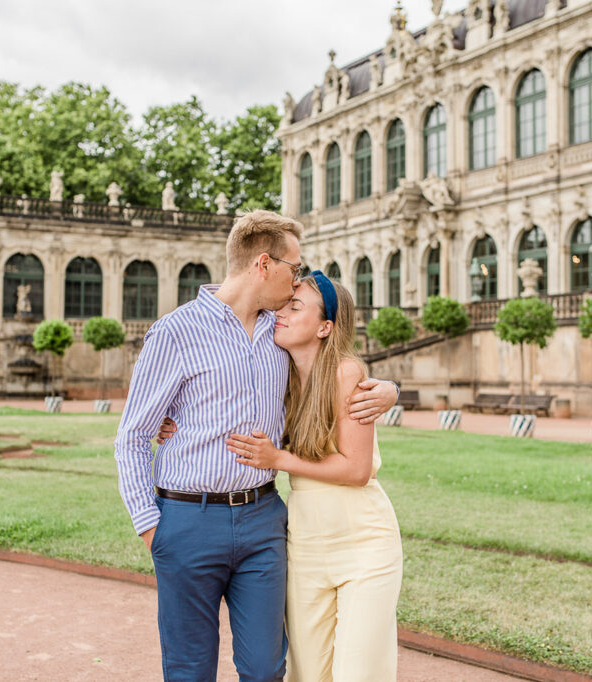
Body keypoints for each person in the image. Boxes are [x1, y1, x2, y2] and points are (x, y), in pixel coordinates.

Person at [113, 210, 398, 682]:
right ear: (264, 265)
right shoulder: (175, 332)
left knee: (268, 669)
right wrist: (151, 527)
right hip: (187, 519)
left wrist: (389, 389)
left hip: (264, 522)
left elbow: (333, 363)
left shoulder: (280, 332)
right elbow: (133, 436)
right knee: (189, 668)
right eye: (294, 267)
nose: (298, 279)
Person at [226, 272, 403, 681]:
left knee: (358, 673)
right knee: (307, 674)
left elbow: (357, 470)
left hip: (363, 543)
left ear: (325, 327)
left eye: (295, 307)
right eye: (283, 306)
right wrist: (169, 420)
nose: (281, 315)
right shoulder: (277, 377)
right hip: (304, 546)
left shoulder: (345, 373)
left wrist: (279, 459)